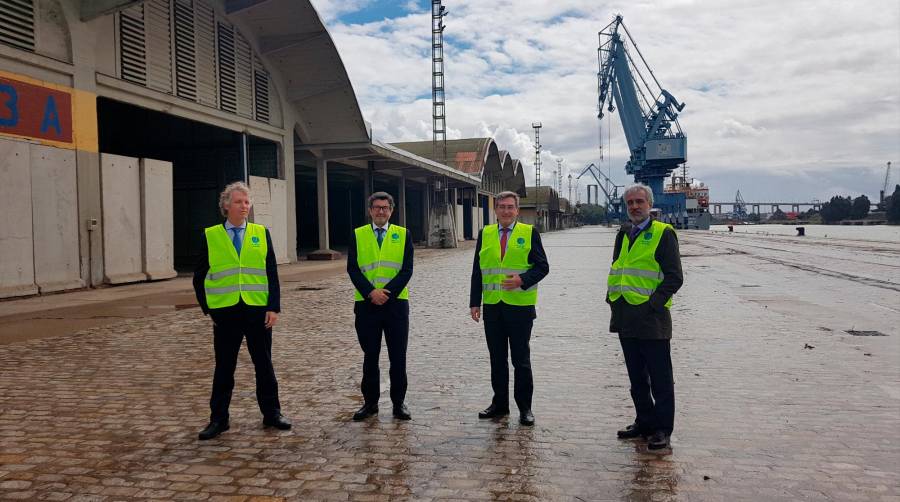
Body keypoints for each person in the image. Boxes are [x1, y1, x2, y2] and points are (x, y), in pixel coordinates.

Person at [193, 181, 291, 440]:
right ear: (226, 205)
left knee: (264, 365)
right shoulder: (211, 235)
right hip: (225, 313)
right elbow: (199, 275)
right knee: (224, 368)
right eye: (238, 202)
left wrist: (273, 306)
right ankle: (218, 419)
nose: (244, 206)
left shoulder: (261, 233)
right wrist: (209, 309)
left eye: (247, 202)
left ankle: (272, 413)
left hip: (258, 311)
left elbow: (271, 272)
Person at [607, 183, 683, 450]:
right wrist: (611, 300)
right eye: (630, 203)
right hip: (625, 315)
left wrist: (654, 305)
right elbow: (617, 268)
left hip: (652, 319)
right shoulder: (624, 233)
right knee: (636, 377)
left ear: (649, 204)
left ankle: (662, 429)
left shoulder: (664, 233)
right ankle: (644, 421)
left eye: (639, 201)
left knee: (660, 377)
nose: (635, 207)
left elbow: (674, 277)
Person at [470, 191, 549, 426]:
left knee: (521, 360)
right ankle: (500, 404)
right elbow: (478, 270)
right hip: (493, 307)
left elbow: (543, 267)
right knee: (497, 359)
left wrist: (522, 280)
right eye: (502, 207)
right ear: (495, 209)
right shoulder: (485, 234)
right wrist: (475, 302)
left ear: (517, 210)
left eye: (510, 207)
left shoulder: (529, 233)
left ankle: (525, 408)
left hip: (519, 307)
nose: (506, 211)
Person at [347, 192, 414, 421]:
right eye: (376, 207)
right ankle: (370, 403)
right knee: (370, 357)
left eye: (385, 208)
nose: (381, 211)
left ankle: (399, 403)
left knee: (398, 357)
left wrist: (386, 293)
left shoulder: (403, 235)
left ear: (391, 210)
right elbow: (353, 269)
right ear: (370, 210)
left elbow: (407, 270)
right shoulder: (358, 235)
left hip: (395, 306)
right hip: (367, 306)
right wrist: (370, 292)